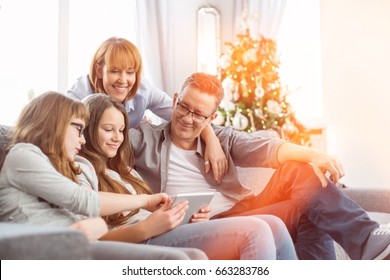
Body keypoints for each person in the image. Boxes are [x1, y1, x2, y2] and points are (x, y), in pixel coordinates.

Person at [128, 72, 390, 260]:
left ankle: (367, 238)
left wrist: (314, 154)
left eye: (199, 115)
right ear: (174, 100)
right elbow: (103, 130)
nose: (188, 118)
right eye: (184, 107)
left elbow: (266, 149)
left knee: (300, 171)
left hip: (241, 211)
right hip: (200, 227)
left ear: (212, 117)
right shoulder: (145, 139)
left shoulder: (222, 138)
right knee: (306, 209)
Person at [78, 93, 298, 260]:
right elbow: (88, 237)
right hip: (141, 240)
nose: (117, 138)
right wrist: (146, 228)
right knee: (255, 230)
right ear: (86, 129)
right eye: (108, 129)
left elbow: (146, 211)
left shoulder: (124, 170)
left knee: (274, 225)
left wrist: (184, 215)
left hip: (164, 230)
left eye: (121, 130)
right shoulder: (81, 170)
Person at [0, 92, 207, 260]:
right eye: (79, 130)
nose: (82, 141)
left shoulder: (56, 166)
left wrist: (97, 225)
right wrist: (145, 201)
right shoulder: (23, 155)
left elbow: (91, 218)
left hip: (78, 244)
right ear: (56, 124)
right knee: (177, 261)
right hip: (54, 250)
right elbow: (83, 201)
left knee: (195, 256)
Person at [67, 36, 227, 183]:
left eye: (130, 72)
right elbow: (65, 137)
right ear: (98, 70)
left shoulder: (144, 91)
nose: (123, 80)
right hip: (88, 157)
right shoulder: (79, 94)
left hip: (122, 157)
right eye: (115, 71)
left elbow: (182, 113)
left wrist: (211, 139)